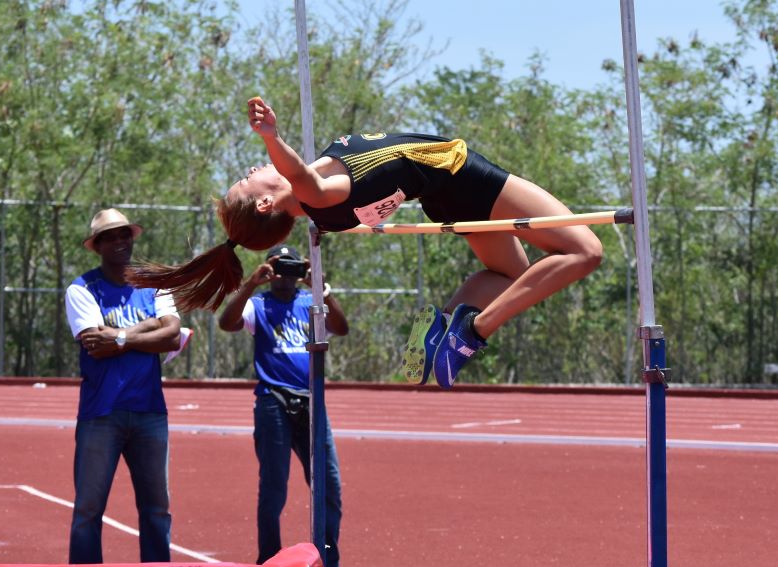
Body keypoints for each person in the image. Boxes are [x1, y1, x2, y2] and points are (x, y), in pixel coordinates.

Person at [126, 95, 603, 389]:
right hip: (463, 177)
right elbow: (298, 174)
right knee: (584, 251)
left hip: (445, 197)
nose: (251, 171)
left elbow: (321, 179)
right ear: (267, 205)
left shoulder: (324, 206)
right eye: (246, 182)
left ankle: (439, 325)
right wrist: (272, 138)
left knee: (512, 277)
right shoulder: (316, 194)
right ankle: (473, 333)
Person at [217, 244, 348, 567]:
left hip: (311, 401)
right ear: (269, 269)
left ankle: (327, 555)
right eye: (280, 267)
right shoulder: (259, 304)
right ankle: (269, 557)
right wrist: (251, 284)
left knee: (329, 484)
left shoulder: (311, 302)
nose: (286, 276)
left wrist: (320, 286)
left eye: (292, 268)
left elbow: (341, 328)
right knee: (274, 486)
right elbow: (227, 322)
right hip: (273, 400)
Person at [64, 208, 182, 564]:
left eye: (124, 235)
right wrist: (146, 329)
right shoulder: (82, 289)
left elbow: (173, 335)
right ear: (97, 246)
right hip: (102, 413)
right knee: (88, 510)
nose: (120, 242)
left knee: (157, 509)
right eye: (110, 237)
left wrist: (118, 337)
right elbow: (94, 345)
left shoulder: (154, 283)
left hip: (150, 412)